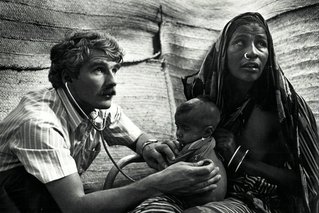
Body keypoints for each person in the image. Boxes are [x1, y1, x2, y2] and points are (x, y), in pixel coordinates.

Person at [0, 31, 221, 213]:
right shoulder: (41, 123)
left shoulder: (96, 107)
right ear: (68, 78)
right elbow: (75, 207)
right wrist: (158, 182)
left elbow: (136, 137)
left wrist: (149, 146)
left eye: (114, 69)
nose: (113, 81)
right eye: (99, 69)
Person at [181, 12, 319, 213]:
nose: (252, 52)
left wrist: (240, 160)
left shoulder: (286, 108)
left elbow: (309, 182)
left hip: (258, 201)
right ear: (223, 53)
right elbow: (190, 142)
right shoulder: (207, 100)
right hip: (203, 189)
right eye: (240, 42)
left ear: (269, 53)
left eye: (261, 44)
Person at [132, 96, 227, 212]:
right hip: (214, 197)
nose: (178, 133)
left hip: (204, 198)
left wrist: (170, 158)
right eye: (178, 127)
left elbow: (171, 169)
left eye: (185, 129)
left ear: (207, 131)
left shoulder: (195, 148)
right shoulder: (207, 142)